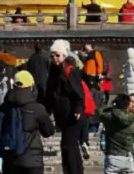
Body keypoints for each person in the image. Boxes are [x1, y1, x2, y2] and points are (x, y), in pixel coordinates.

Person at [0, 71, 54, 174]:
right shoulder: (37, 108)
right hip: (32, 160)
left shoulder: (4, 107)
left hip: (10, 159)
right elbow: (49, 131)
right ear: (31, 86)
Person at [45, 40, 84, 174]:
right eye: (52, 56)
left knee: (69, 146)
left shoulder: (70, 71)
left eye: (57, 55)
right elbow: (50, 93)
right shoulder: (53, 71)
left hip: (72, 114)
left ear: (64, 55)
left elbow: (79, 93)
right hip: (61, 114)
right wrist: (47, 111)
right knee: (68, 146)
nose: (55, 58)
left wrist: (79, 108)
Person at [99, 94, 134, 174]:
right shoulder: (132, 119)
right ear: (128, 105)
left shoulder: (109, 118)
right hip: (127, 156)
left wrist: (111, 106)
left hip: (112, 155)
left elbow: (99, 112)